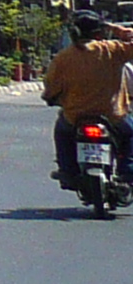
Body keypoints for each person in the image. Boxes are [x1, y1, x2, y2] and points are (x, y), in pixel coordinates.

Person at [38, 10, 133, 186]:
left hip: (75, 117)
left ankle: (68, 171)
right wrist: (122, 31)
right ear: (98, 33)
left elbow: (51, 86)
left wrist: (50, 97)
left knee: (62, 132)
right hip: (113, 116)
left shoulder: (63, 58)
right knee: (129, 135)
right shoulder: (113, 49)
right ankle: (128, 174)